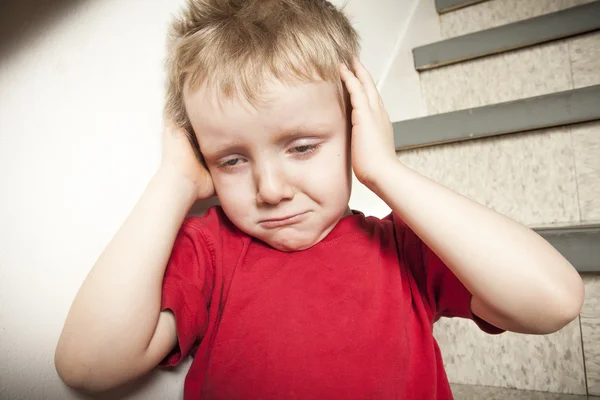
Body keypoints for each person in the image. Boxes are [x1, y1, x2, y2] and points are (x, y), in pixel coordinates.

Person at [54, 0, 585, 398]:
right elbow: (88, 365)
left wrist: (384, 170)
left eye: (302, 146)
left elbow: (552, 301)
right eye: (231, 160)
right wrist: (173, 180)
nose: (270, 189)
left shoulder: (404, 249)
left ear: (356, 130)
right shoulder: (212, 252)